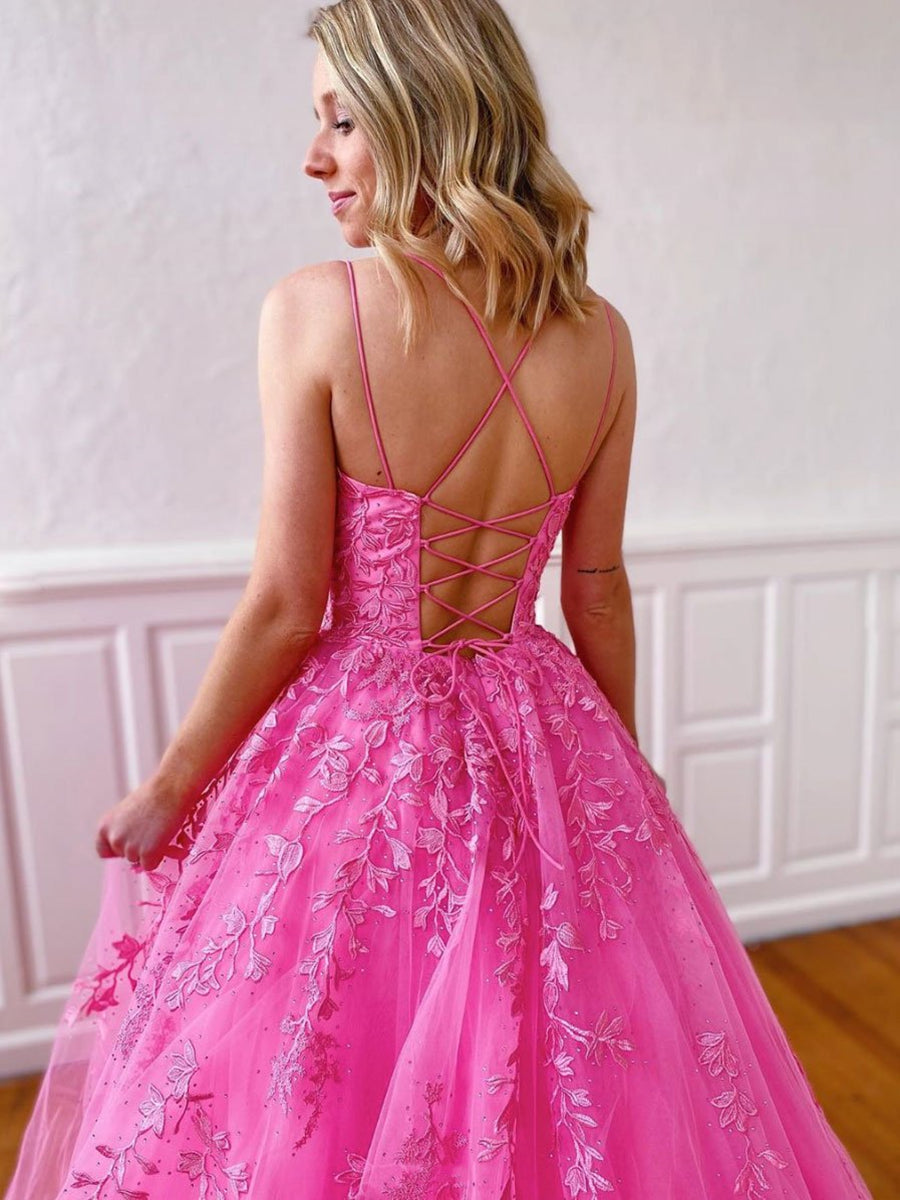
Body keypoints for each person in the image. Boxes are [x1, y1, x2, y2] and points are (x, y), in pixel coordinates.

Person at [5, 1, 875, 1197]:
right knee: (541, 1050)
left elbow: (286, 602)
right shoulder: (602, 339)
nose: (313, 158)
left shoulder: (316, 311)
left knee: (325, 1064)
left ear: (428, 113)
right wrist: (621, 770)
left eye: (342, 120)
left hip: (360, 746)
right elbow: (595, 587)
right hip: (541, 732)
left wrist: (171, 785)